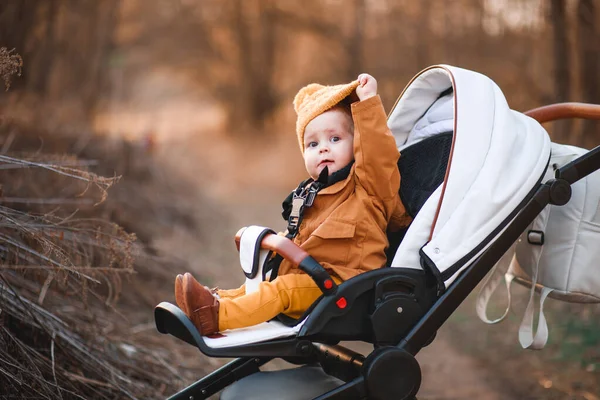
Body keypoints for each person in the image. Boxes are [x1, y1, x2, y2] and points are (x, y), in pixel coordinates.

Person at [175, 73, 411, 335]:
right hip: (313, 280)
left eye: (335, 139)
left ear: (356, 145)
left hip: (344, 287)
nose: (323, 148)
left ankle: (216, 317)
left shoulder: (368, 187)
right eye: (313, 143)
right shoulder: (311, 194)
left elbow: (378, 154)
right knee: (260, 285)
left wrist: (367, 105)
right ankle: (213, 303)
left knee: (280, 291)